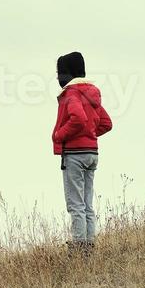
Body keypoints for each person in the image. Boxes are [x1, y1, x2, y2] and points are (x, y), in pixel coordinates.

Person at [53, 51, 113, 253]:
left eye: (59, 72)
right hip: (91, 153)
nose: (57, 77)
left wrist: (60, 135)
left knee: (75, 204)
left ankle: (80, 247)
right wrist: (89, 134)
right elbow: (106, 123)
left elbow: (77, 118)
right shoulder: (92, 93)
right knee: (87, 203)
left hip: (75, 154)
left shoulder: (71, 94)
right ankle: (89, 245)